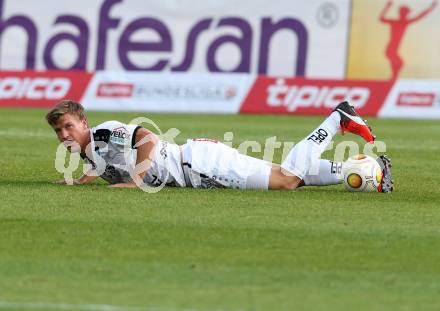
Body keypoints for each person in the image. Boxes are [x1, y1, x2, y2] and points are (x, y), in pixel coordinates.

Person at [46, 100, 392, 192]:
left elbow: (147, 138)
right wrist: (85, 179)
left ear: (84, 123)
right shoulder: (94, 149)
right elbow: (107, 161)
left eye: (68, 127)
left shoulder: (104, 133)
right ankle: (355, 170)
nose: (64, 135)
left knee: (286, 179)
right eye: (60, 131)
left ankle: (336, 119)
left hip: (198, 165)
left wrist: (137, 179)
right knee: (284, 175)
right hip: (197, 161)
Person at [380, 0, 437, 80]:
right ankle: (393, 78)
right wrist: (388, 6)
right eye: (404, 13)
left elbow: (419, 16)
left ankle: (393, 78)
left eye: (406, 13)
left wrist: (431, 7)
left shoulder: (404, 22)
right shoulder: (396, 22)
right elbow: (381, 19)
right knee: (399, 62)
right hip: (390, 48)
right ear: (401, 13)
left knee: (399, 63)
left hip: (392, 49)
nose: (405, 15)